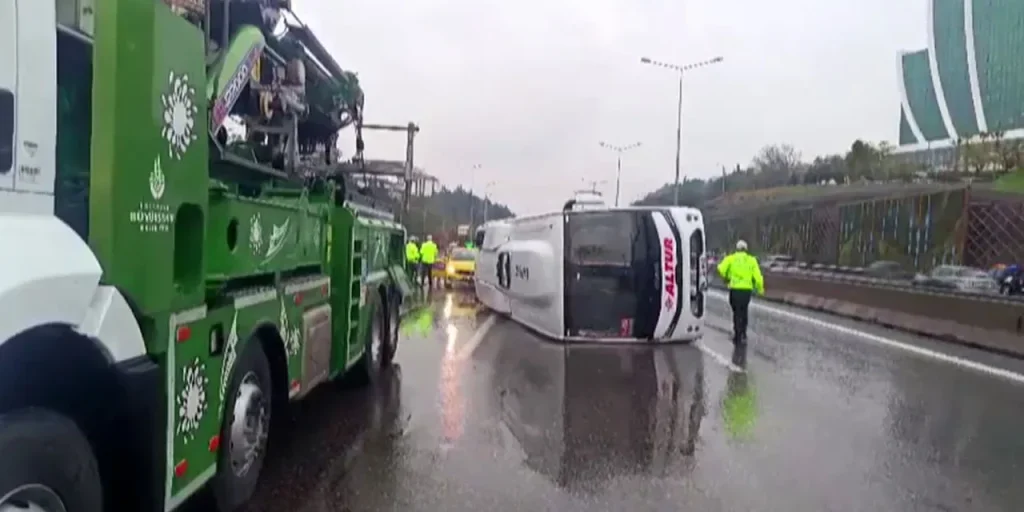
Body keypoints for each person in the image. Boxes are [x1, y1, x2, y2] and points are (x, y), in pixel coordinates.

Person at [716, 240, 764, 346]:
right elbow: (758, 276)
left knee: (736, 311)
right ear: (746, 249)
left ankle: (737, 334)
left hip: (735, 289)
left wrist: (727, 276)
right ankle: (743, 332)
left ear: (736, 249)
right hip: (746, 290)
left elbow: (720, 268)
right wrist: (760, 289)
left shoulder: (731, 258)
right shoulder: (752, 260)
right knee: (744, 310)